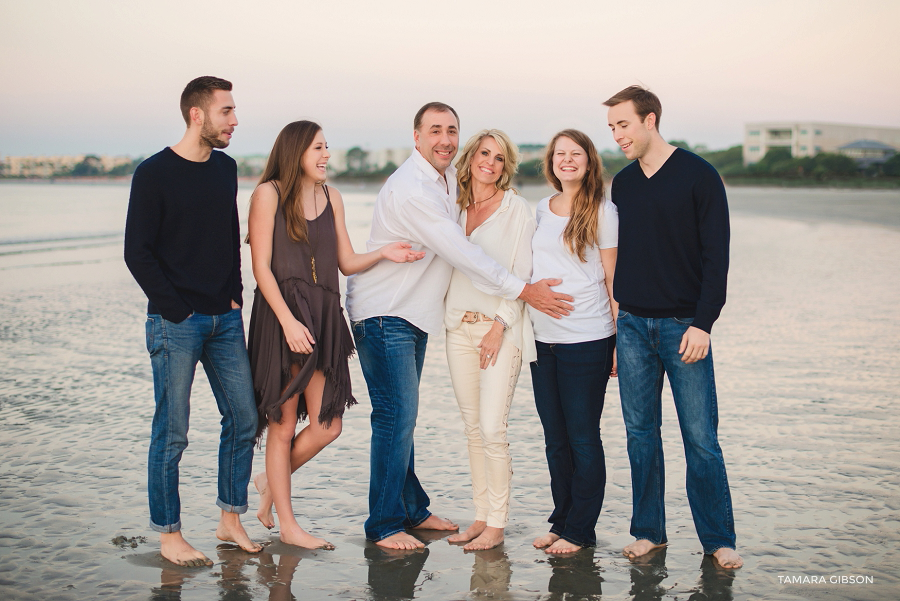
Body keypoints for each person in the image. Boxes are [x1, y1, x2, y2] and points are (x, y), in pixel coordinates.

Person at [346, 102, 573, 550]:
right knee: (400, 418)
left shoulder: (457, 188)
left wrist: (507, 312)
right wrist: (525, 291)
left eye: (452, 130)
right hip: (389, 312)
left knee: (445, 424)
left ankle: (429, 512)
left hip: (434, 319)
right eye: (435, 130)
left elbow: (513, 259)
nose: (445, 139)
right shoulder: (418, 190)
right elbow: (460, 253)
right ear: (416, 137)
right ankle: (385, 524)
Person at [246, 121, 425, 549]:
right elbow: (260, 268)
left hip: (324, 316)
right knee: (283, 424)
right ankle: (289, 526)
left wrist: (383, 253)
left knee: (328, 424)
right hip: (280, 316)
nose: (327, 155)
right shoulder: (268, 193)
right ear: (295, 152)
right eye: (318, 148)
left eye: (327, 147)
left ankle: (270, 480)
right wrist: (288, 321)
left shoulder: (332, 197)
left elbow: (344, 261)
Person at [124, 76, 261, 566]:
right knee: (174, 430)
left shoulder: (225, 169)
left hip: (224, 320)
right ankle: (169, 533)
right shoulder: (153, 173)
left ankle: (229, 519)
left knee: (245, 416)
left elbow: (229, 239)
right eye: (227, 111)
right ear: (197, 114)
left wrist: (233, 299)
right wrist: (176, 308)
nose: (235, 120)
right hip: (174, 323)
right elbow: (136, 253)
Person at [604, 85, 742, 569]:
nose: (618, 135)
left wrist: (704, 324)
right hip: (633, 327)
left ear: (650, 120)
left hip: (685, 327)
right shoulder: (622, 184)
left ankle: (719, 539)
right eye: (612, 127)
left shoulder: (699, 176)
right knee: (640, 436)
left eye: (624, 124)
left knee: (700, 438)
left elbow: (716, 258)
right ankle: (649, 532)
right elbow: (619, 258)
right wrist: (618, 326)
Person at [443, 130, 536, 551]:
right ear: (472, 157)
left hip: (500, 330)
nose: (491, 163)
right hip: (457, 328)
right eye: (485, 154)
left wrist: (500, 326)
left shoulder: (518, 211)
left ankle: (497, 524)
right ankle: (480, 516)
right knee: (471, 429)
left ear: (506, 167)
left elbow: (523, 274)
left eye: (500, 158)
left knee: (492, 429)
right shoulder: (453, 206)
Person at [529, 129, 619, 554]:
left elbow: (613, 279)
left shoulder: (603, 210)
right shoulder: (538, 211)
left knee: (583, 436)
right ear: (551, 162)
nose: (567, 160)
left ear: (589, 161)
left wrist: (620, 339)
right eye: (560, 154)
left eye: (575, 154)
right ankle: (561, 519)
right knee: (555, 438)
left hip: (588, 337)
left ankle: (581, 531)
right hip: (541, 340)